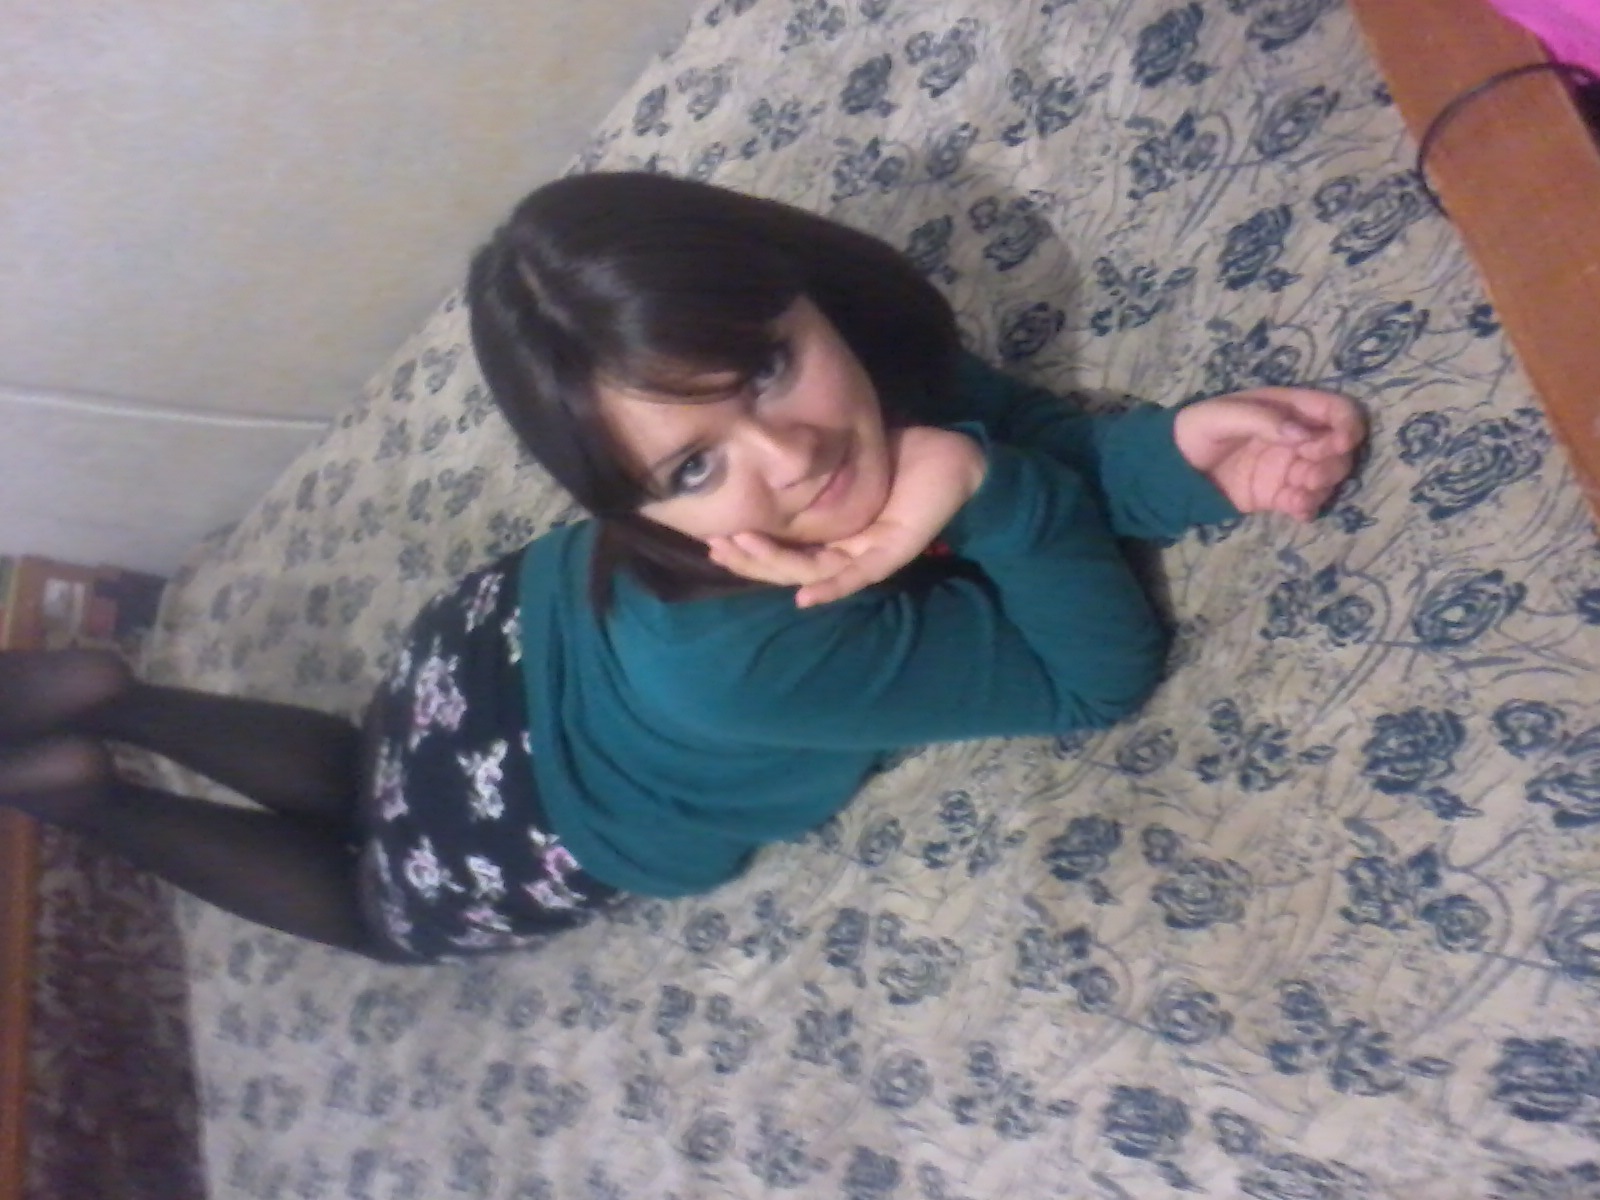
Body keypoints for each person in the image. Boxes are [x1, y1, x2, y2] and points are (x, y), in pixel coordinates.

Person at [0, 172, 1365, 963]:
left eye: (767, 368)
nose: (795, 456)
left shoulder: (877, 358)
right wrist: (981, 484)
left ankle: (116, 701)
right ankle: (89, 790)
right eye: (694, 466)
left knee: (371, 760)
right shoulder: (752, 656)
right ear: (629, 493)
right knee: (375, 902)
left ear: (801, 289)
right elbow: (1092, 675)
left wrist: (1181, 453)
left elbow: (1043, 454)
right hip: (557, 800)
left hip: (499, 635)